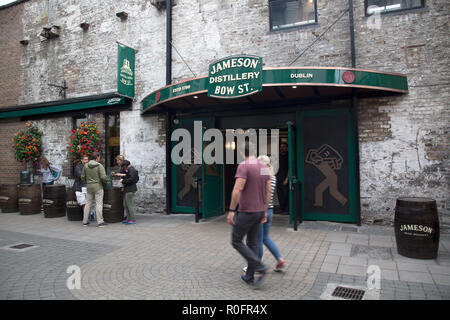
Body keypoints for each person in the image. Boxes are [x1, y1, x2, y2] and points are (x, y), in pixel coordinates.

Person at [227, 141, 272, 288]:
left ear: (242, 153)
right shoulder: (264, 167)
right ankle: (249, 276)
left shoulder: (243, 166)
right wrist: (264, 210)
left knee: (236, 240)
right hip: (259, 211)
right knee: (252, 243)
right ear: (254, 151)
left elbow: (237, 189)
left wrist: (232, 210)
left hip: (247, 212)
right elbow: (268, 190)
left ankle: (259, 266)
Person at [255, 155, 287, 272]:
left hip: (262, 211)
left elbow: (264, 195)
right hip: (270, 211)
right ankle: (279, 259)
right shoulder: (272, 177)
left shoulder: (262, 177)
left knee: (258, 239)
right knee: (265, 238)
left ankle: (256, 265)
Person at [81, 152, 107, 228]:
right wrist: (105, 182)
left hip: (89, 186)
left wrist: (87, 182)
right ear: (97, 157)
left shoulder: (85, 166)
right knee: (98, 204)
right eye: (99, 157)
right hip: (98, 186)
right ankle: (100, 222)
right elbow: (103, 177)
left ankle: (85, 221)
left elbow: (82, 177)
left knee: (88, 203)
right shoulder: (99, 166)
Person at [119, 160, 138, 225]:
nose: (123, 168)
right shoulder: (129, 170)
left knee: (129, 205)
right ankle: (129, 218)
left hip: (130, 189)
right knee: (125, 204)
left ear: (125, 165)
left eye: (123, 167)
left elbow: (131, 179)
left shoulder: (131, 170)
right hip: (127, 189)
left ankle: (132, 219)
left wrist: (123, 180)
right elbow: (129, 177)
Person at [276, 142, 289, 214]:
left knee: (286, 194)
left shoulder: (288, 156)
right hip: (279, 177)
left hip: (285, 178)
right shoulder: (279, 156)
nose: (282, 148)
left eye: (284, 147)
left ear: (286, 148)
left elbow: (290, 168)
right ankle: (282, 209)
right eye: (281, 147)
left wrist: (287, 178)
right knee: (279, 194)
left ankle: (287, 210)